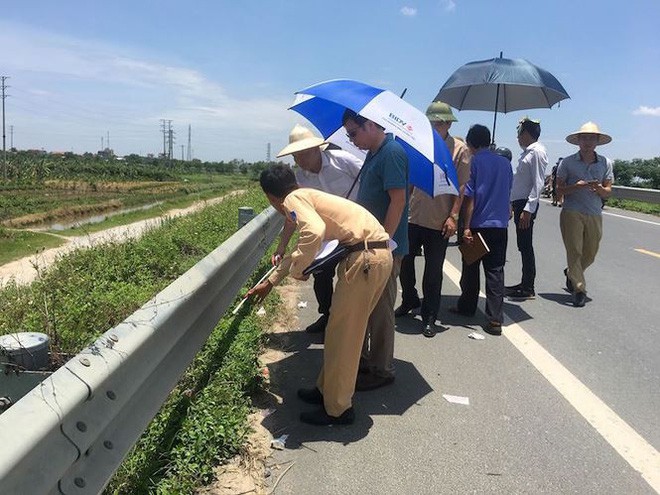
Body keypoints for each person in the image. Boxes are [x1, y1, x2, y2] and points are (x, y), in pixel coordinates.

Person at [248, 164, 392, 425]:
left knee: (345, 335)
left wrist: (299, 271)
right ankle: (327, 390)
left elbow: (312, 233)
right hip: (374, 256)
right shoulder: (308, 197)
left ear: (270, 197)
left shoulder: (294, 199)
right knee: (341, 331)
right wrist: (271, 281)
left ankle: (338, 409)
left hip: (365, 259)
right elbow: (306, 244)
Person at [342, 109, 408, 390]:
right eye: (348, 135)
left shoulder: (392, 152)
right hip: (369, 244)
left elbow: (398, 201)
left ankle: (382, 370)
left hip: (384, 248)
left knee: (380, 309)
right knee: (367, 307)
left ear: (370, 124)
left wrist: (383, 243)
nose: (352, 140)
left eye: (354, 133)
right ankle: (367, 361)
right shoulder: (374, 153)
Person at [274, 124, 363, 334]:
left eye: (302, 154)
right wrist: (282, 246)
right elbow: (294, 215)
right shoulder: (300, 178)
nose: (298, 160)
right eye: (294, 156)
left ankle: (345, 323)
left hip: (355, 231)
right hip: (325, 234)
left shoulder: (344, 161)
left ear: (316, 149)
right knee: (321, 274)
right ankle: (327, 315)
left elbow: (371, 182)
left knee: (351, 278)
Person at [394, 101, 471, 338]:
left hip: (440, 219)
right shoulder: (419, 144)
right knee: (404, 261)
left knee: (433, 271)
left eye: (438, 122)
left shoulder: (459, 150)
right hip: (413, 214)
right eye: (430, 122)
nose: (433, 126)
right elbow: (408, 179)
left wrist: (453, 217)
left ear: (448, 124)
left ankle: (429, 316)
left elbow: (461, 187)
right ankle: (409, 299)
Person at [451, 124, 513, 335]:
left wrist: (466, 226)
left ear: (471, 143)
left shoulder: (473, 162)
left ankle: (467, 306)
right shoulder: (505, 164)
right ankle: (495, 319)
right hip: (500, 225)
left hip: (477, 224)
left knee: (470, 267)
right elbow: (507, 192)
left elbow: (470, 197)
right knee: (495, 271)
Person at [556, 122, 613, 307]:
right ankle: (579, 289)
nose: (588, 141)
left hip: (595, 211)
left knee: (591, 252)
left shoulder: (605, 162)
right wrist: (576, 186)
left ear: (597, 141)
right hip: (572, 211)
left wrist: (599, 189)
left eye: (591, 138)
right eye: (584, 138)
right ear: (578, 141)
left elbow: (608, 191)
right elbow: (559, 190)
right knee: (575, 251)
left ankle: (572, 272)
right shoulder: (568, 162)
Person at [505, 118, 548, 300]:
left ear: (526, 134)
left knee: (526, 245)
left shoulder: (537, 152)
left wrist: (528, 209)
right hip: (520, 203)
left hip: (526, 205)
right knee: (523, 245)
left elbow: (538, 183)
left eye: (519, 133)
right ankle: (525, 283)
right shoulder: (527, 152)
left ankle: (528, 286)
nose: (517, 138)